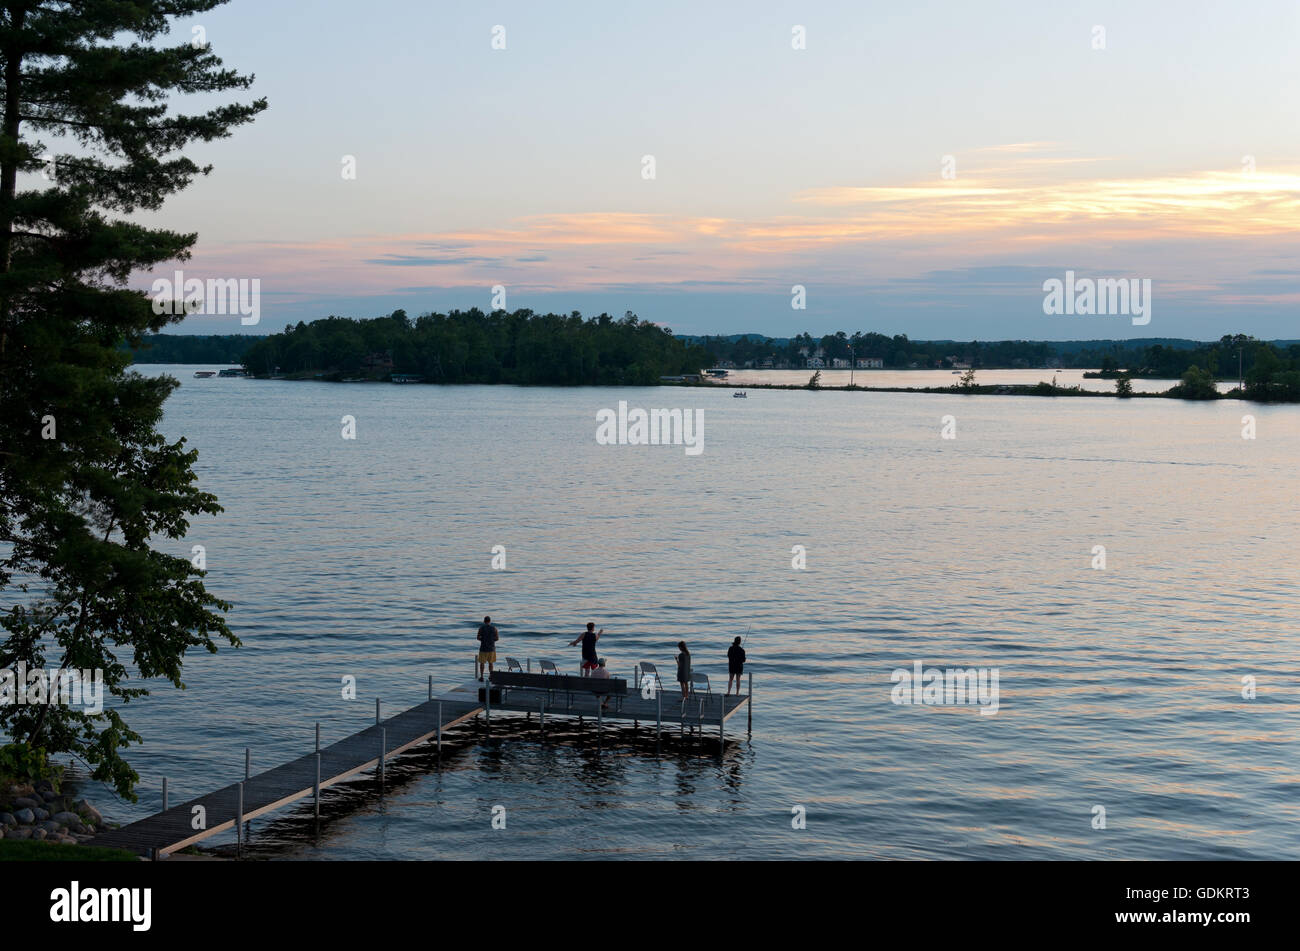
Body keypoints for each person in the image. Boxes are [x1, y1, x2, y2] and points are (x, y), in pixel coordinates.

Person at [476, 615, 498, 681]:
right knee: (491, 663)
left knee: (482, 663)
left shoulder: (481, 628)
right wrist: (491, 640)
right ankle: (491, 676)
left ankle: (482, 677)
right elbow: (497, 638)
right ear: (490, 621)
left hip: (483, 648)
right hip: (491, 649)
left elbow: (478, 637)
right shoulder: (494, 628)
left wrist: (483, 640)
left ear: (484, 621)